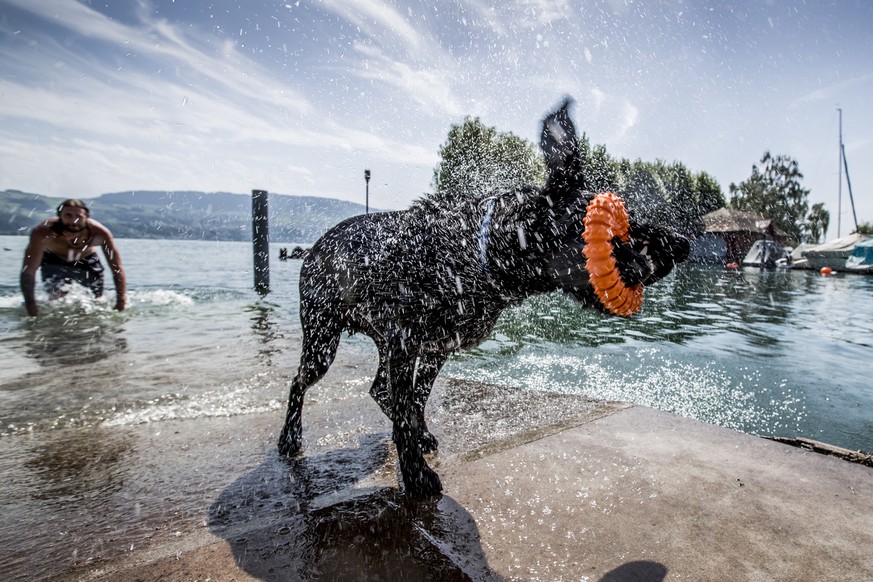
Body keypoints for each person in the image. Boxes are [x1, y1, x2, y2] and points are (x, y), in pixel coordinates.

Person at [20, 198, 127, 316]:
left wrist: (121, 300)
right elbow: (28, 271)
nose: (73, 221)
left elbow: (117, 269)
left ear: (87, 216)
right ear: (59, 215)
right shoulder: (42, 233)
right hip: (54, 260)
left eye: (79, 216)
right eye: (68, 215)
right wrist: (30, 304)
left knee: (96, 302)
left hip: (87, 261)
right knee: (58, 300)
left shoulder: (100, 233)